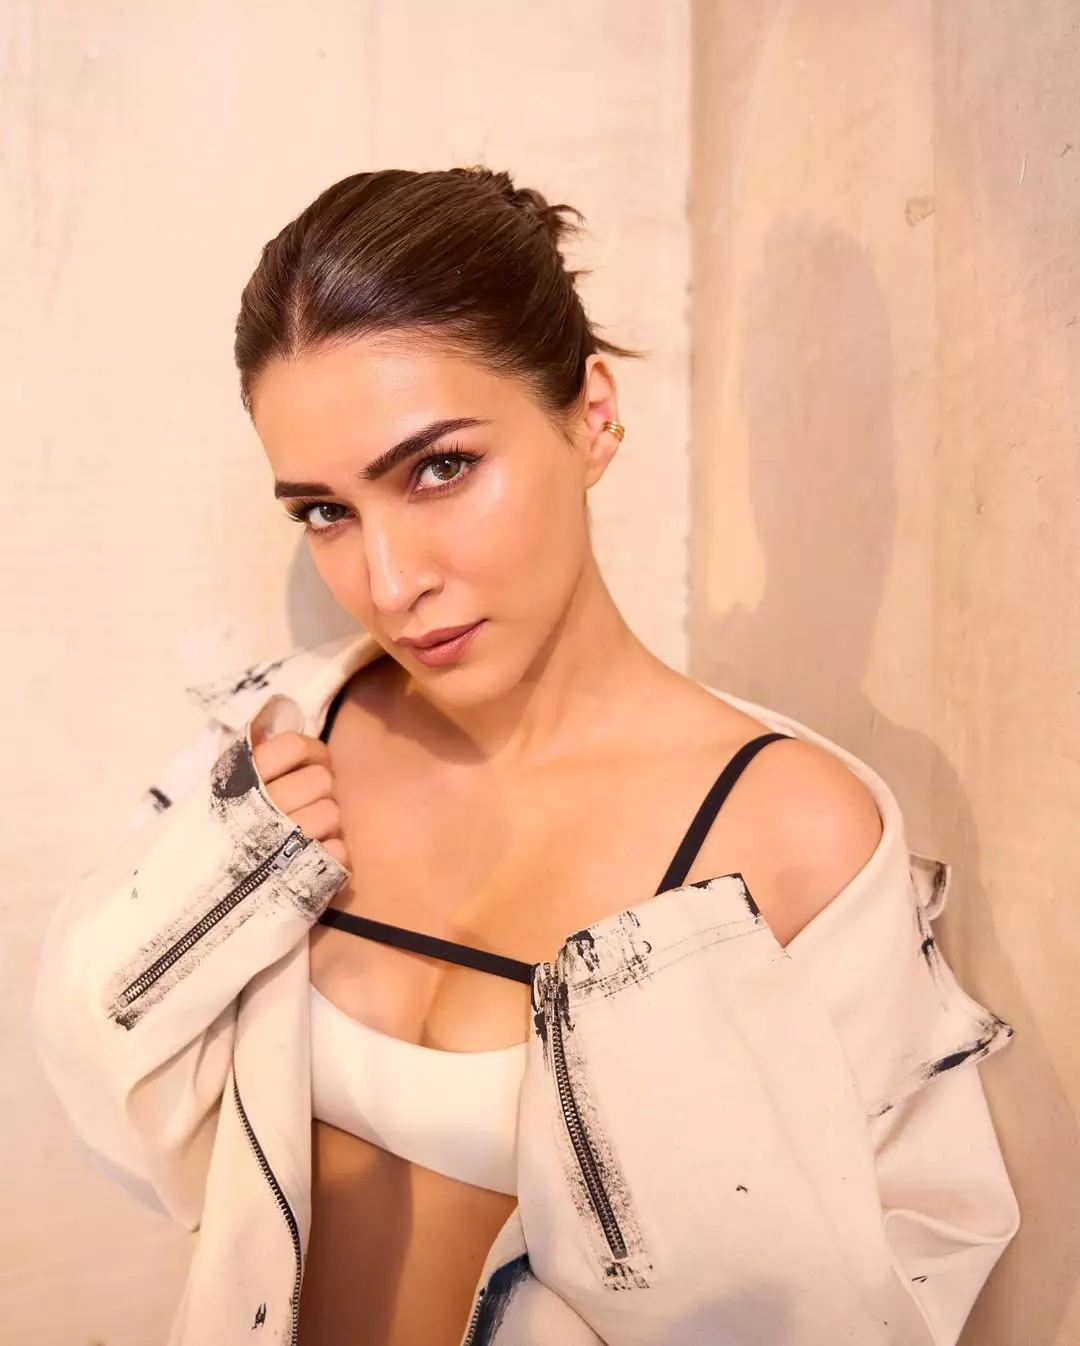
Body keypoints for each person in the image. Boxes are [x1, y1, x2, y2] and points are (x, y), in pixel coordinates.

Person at [34, 167, 1019, 1346]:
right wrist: (229, 867)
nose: (389, 580)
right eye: (325, 511)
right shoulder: (294, 736)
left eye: (439, 467)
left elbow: (890, 1278)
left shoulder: (786, 830)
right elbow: (120, 1092)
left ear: (591, 415)